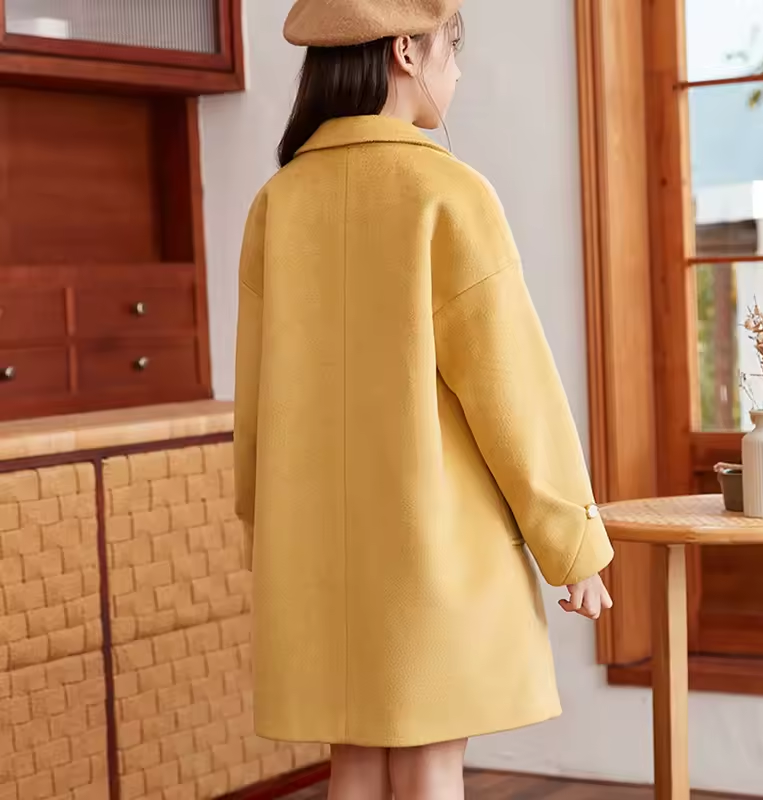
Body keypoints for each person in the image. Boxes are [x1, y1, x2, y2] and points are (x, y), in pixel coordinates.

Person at [233, 1, 615, 798]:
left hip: (317, 552)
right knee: (430, 764)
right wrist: (573, 545)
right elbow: (512, 389)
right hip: (435, 550)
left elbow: (256, 403)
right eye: (452, 47)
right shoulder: (447, 192)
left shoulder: (278, 202)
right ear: (406, 51)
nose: (459, 71)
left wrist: (264, 536)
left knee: (356, 762)